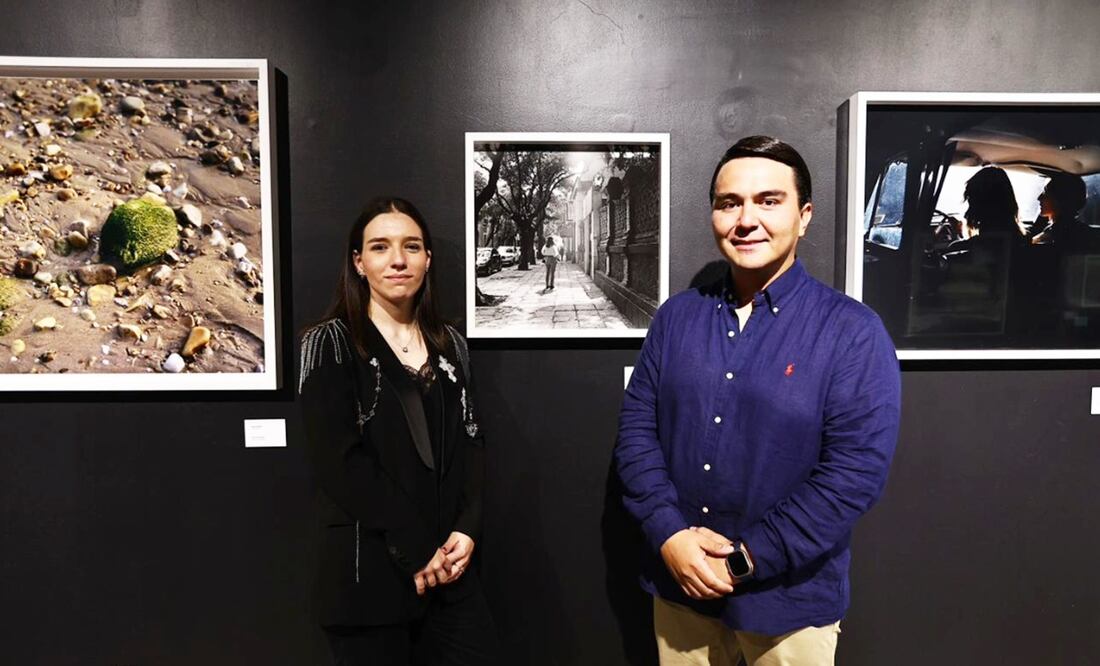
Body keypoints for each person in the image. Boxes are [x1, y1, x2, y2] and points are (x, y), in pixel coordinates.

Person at [615, 136, 901, 665]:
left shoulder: (852, 332)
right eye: (730, 203)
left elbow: (854, 474)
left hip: (790, 606)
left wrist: (744, 562)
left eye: (769, 200)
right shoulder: (676, 318)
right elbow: (636, 435)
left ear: (804, 214)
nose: (746, 219)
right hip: (680, 592)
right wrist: (669, 535)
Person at [299, 196, 499, 666]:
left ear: (428, 260)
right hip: (367, 576)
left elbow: (473, 441)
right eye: (380, 247)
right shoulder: (329, 343)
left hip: (451, 574)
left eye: (411, 247)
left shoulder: (451, 346)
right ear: (359, 262)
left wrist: (467, 529)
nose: (397, 260)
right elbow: (340, 462)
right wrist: (416, 546)